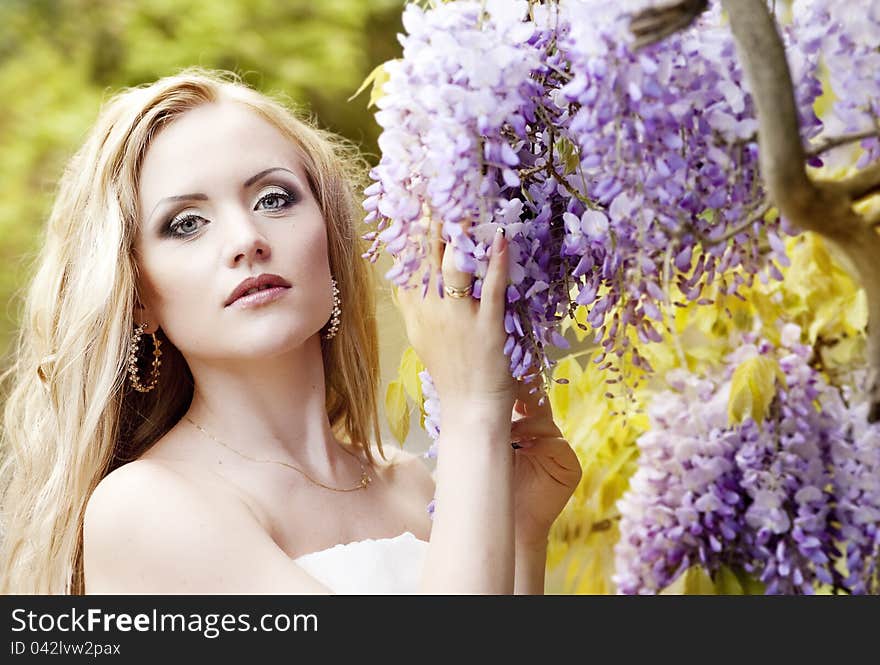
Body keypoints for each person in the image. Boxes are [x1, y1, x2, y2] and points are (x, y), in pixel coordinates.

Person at [0, 68, 582, 594]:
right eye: (186, 224)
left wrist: (519, 537)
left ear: (327, 237)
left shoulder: (411, 486)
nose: (246, 239)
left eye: (274, 198)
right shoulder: (144, 509)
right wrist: (471, 410)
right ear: (137, 300)